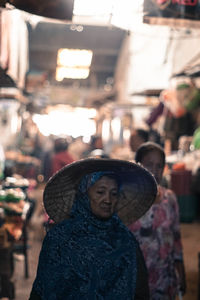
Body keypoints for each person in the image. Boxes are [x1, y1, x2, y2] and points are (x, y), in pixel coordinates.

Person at [29, 158, 158, 300]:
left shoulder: (125, 239)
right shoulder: (59, 238)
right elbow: (42, 289)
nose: (108, 200)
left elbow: (140, 290)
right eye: (100, 192)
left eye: (114, 193)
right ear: (84, 194)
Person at [129, 142, 186, 300]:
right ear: (137, 166)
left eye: (159, 166)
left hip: (165, 278)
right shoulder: (127, 201)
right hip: (137, 281)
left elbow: (176, 239)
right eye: (149, 165)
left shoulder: (170, 199)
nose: (154, 171)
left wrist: (180, 271)